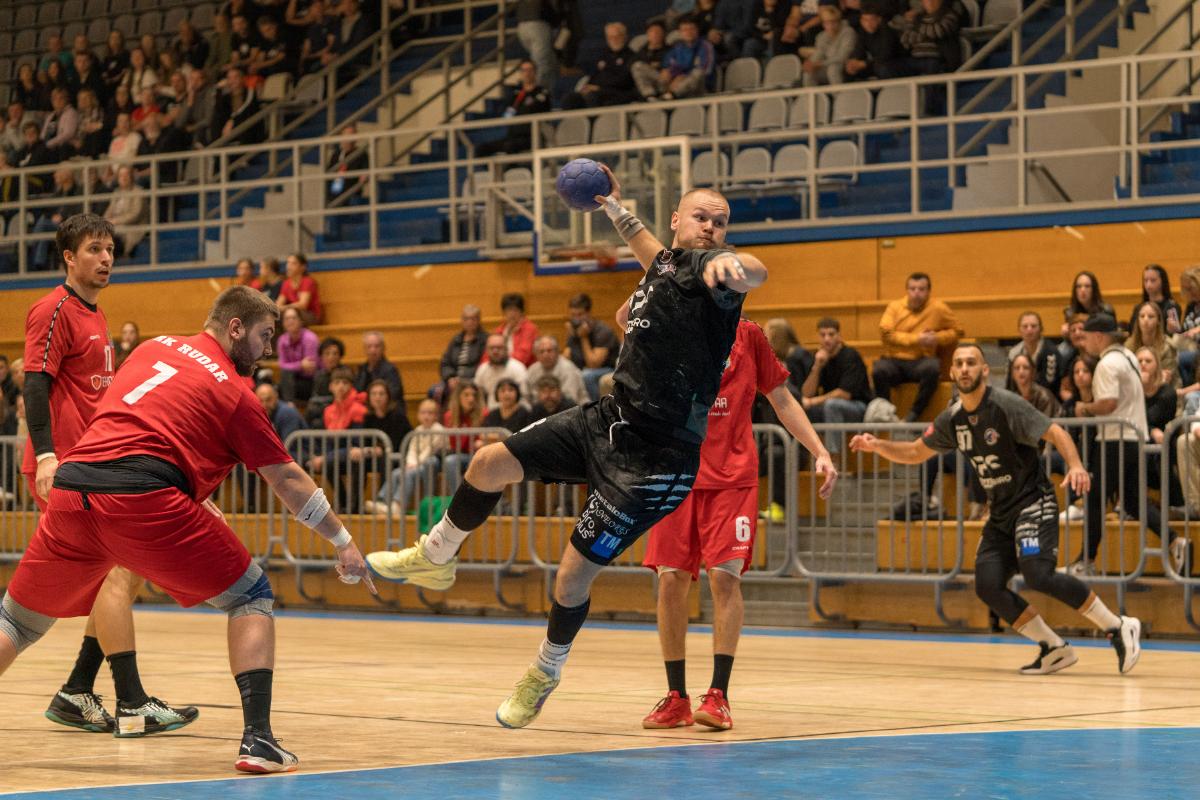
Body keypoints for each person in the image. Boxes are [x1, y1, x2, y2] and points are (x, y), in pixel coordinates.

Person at [366, 165, 768, 730]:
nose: (710, 228)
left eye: (720, 223)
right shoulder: (665, 263)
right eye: (701, 217)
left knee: (571, 577)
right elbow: (646, 245)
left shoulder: (715, 280)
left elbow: (753, 269)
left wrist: (735, 264)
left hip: (654, 462)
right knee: (488, 461)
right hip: (608, 421)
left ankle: (544, 672)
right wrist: (615, 208)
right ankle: (436, 556)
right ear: (677, 219)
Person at [0, 285, 375, 772]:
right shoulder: (235, 394)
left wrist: (191, 491)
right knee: (251, 596)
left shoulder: (153, 347)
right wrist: (343, 541)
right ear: (235, 328)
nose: (267, 349)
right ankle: (258, 742)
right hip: (143, 498)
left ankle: (93, 689)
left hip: (74, 490)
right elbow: (288, 480)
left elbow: (136, 423)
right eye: (264, 335)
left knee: (16, 622)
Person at [851, 344, 1143, 676]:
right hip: (1001, 513)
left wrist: (1076, 465)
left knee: (1038, 574)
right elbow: (916, 452)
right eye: (959, 363)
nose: (964, 368)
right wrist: (878, 446)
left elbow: (1055, 431)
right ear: (952, 372)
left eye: (971, 363)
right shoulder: (952, 419)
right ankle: (1053, 648)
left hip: (1033, 502)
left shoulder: (1006, 405)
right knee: (987, 584)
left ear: (985, 370)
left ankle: (1117, 626)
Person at [20, 213, 195, 736]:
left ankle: (77, 690)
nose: (106, 258)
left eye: (111, 249)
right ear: (69, 257)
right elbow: (34, 384)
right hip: (65, 469)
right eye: (95, 249)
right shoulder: (53, 309)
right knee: (118, 572)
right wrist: (46, 456)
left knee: (124, 572)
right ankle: (132, 701)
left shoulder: (95, 315)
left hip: (97, 468)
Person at [643, 318, 835, 731]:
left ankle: (718, 696)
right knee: (670, 580)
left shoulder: (749, 335)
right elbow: (626, 319)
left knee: (724, 579)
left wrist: (819, 450)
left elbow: (782, 399)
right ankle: (676, 697)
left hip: (731, 478)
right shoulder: (671, 321)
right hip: (676, 474)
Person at [1073, 313, 1183, 575]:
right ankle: (1174, 541)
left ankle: (1086, 561)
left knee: (1095, 499)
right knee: (1133, 501)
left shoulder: (1107, 363)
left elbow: (1108, 403)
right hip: (1134, 438)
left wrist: (1084, 408)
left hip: (1115, 439)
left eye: (1086, 337)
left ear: (1098, 336)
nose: (1083, 342)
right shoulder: (1128, 357)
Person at [872, 272, 961, 422]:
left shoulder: (938, 308)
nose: (916, 293)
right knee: (878, 370)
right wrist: (917, 339)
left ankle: (913, 414)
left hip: (921, 361)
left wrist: (937, 338)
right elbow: (886, 334)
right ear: (907, 290)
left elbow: (958, 331)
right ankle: (886, 413)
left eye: (921, 289)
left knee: (933, 369)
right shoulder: (895, 307)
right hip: (895, 360)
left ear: (929, 291)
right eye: (912, 289)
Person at [800, 317, 871, 457]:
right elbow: (806, 393)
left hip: (858, 407)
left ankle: (833, 458)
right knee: (803, 411)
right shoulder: (819, 357)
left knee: (832, 405)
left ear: (839, 336)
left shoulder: (850, 356)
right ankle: (807, 457)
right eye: (823, 335)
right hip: (831, 408)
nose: (827, 339)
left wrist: (812, 402)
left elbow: (844, 394)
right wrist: (817, 367)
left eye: (831, 334)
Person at [367, 398, 445, 516]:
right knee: (396, 473)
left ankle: (398, 505)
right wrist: (410, 462)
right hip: (416, 464)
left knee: (407, 474)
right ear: (418, 415)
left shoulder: (438, 430)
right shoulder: (418, 430)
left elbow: (430, 450)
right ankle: (382, 501)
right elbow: (412, 449)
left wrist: (415, 464)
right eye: (423, 413)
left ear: (436, 416)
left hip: (430, 464)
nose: (426, 416)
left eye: (430, 413)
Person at [476, 60, 550, 157]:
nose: (527, 73)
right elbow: (506, 114)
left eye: (530, 70)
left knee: (510, 146)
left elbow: (535, 109)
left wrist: (522, 109)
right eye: (524, 70)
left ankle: (512, 167)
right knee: (481, 149)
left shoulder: (542, 92)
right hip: (513, 136)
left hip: (531, 136)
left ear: (535, 72)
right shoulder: (515, 94)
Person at [632, 16, 716, 101]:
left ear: (697, 30)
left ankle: (670, 95)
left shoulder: (705, 46)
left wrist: (684, 76)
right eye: (685, 30)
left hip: (697, 87)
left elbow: (706, 70)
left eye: (691, 29)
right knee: (638, 66)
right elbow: (668, 66)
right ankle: (651, 97)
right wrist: (670, 74)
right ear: (680, 32)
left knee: (698, 72)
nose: (688, 32)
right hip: (672, 84)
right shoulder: (677, 47)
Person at [563, 22, 640, 109]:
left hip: (618, 92)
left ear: (625, 37)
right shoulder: (604, 56)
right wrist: (588, 86)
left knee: (592, 96)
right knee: (571, 98)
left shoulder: (631, 57)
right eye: (610, 37)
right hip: (598, 91)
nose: (614, 40)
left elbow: (624, 80)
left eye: (617, 36)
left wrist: (599, 88)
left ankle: (594, 118)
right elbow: (594, 75)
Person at [565, 293, 620, 401]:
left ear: (588, 313)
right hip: (583, 369)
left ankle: (595, 407)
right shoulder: (574, 330)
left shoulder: (603, 331)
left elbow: (593, 364)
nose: (576, 319)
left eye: (580, 314)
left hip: (607, 369)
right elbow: (566, 357)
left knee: (587, 375)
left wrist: (583, 338)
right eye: (573, 315)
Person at [845, 2, 909, 80]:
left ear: (879, 19)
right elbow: (859, 50)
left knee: (882, 68)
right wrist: (853, 61)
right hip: (876, 64)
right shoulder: (863, 32)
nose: (868, 23)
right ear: (861, 21)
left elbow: (885, 56)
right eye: (865, 20)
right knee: (848, 70)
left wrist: (864, 64)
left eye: (872, 20)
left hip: (897, 63)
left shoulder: (887, 32)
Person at [436, 304, 485, 405]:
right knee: (435, 391)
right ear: (462, 321)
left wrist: (463, 379)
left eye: (473, 319)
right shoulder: (456, 340)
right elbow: (445, 363)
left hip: (474, 380)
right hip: (454, 380)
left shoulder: (485, 340)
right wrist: (450, 377)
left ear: (479, 320)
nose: (469, 322)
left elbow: (483, 365)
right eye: (466, 319)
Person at [441, 380, 483, 495]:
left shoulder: (483, 413)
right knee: (449, 461)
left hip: (479, 455)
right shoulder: (450, 416)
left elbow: (483, 442)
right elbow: (455, 446)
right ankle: (458, 498)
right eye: (466, 395)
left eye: (474, 395)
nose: (471, 399)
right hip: (461, 454)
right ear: (458, 397)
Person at [524, 336, 588, 407]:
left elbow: (570, 399)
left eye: (549, 350)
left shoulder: (568, 369)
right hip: (540, 410)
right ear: (536, 354)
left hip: (573, 409)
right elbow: (526, 397)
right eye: (541, 351)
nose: (545, 355)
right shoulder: (532, 370)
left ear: (557, 351)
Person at [1007, 311, 1062, 395]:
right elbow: (1010, 384)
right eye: (1025, 326)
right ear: (1019, 330)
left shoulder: (1051, 352)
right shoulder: (1014, 353)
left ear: (1041, 329)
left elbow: (1050, 385)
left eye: (1033, 326)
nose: (1029, 330)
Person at [1126, 301, 1178, 387]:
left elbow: (1166, 377)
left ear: (1158, 321)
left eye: (1150, 316)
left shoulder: (1167, 346)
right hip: (1135, 387)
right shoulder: (1128, 344)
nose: (1145, 320)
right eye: (1142, 316)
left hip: (1165, 389)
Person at [801, 5, 856, 87]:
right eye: (826, 23)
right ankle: (811, 95)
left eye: (833, 22)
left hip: (846, 65)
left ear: (839, 21)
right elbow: (819, 54)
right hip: (827, 65)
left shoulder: (848, 32)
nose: (830, 26)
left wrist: (820, 64)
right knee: (809, 71)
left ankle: (839, 95)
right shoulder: (821, 36)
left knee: (833, 69)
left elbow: (843, 56)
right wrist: (811, 63)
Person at [276, 307, 319, 403]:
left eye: (294, 318)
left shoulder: (310, 338)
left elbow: (310, 369)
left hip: (311, 381)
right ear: (283, 323)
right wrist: (300, 365)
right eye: (287, 319)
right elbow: (282, 365)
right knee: (275, 388)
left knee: (285, 376)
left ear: (300, 321)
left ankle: (289, 404)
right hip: (292, 380)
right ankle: (289, 404)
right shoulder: (282, 340)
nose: (290, 321)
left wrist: (291, 367)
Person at [474, 334, 528, 409]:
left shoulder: (517, 368)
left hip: (515, 411)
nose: (495, 351)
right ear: (486, 350)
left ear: (506, 349)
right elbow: (478, 395)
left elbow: (523, 398)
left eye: (499, 348)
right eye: (492, 348)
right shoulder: (482, 369)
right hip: (490, 412)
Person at [490, 293, 540, 368]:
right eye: (509, 310)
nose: (512, 314)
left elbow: (522, 357)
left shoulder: (530, 329)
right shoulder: (499, 330)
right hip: (500, 366)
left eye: (515, 310)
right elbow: (488, 354)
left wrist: (500, 361)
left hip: (522, 368)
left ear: (522, 312)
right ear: (504, 312)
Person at [1133, 264, 1183, 337]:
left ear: (1162, 281)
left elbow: (1176, 333)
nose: (1148, 285)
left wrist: (1173, 329)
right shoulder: (1139, 307)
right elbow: (1132, 332)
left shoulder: (1171, 307)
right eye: (1145, 280)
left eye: (1153, 280)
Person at [1005, 353, 1060, 418]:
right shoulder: (1013, 397)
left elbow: (1045, 422)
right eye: (1017, 368)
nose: (1021, 371)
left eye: (1025, 368)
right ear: (1012, 373)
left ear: (1032, 371)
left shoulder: (1044, 396)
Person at [353, 330, 403, 402]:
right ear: (365, 349)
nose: (373, 350)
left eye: (377, 346)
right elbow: (356, 391)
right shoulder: (362, 369)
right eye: (369, 346)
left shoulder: (390, 370)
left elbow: (393, 394)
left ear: (383, 348)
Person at [1062, 270, 1114, 336]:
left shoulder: (1106, 311)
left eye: (1087, 286)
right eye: (1079, 286)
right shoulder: (1070, 312)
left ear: (1094, 290)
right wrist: (1066, 333)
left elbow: (1111, 337)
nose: (1082, 290)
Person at [276, 252, 321, 324]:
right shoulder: (286, 283)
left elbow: (302, 305)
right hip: (293, 312)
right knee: (273, 317)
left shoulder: (308, 282)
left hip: (310, 315)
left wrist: (284, 308)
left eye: (293, 263)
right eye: (288, 263)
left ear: (303, 267)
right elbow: (278, 305)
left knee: (291, 315)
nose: (288, 267)